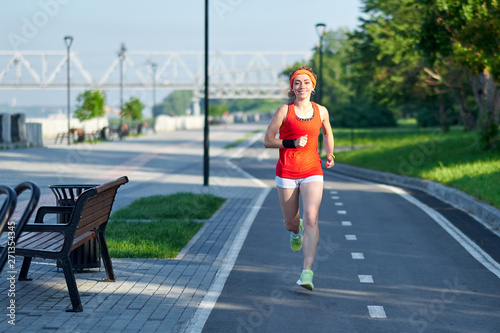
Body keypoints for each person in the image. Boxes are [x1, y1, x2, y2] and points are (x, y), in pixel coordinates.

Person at [264, 66, 335, 291]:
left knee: (312, 217)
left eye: (306, 82)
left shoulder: (321, 111)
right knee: (291, 222)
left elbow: (327, 132)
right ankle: (296, 231)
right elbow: (267, 140)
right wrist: (291, 143)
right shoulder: (284, 111)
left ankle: (307, 272)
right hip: (286, 171)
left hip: (312, 170)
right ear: (292, 88)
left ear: (313, 86)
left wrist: (330, 153)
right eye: (297, 83)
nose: (301, 86)